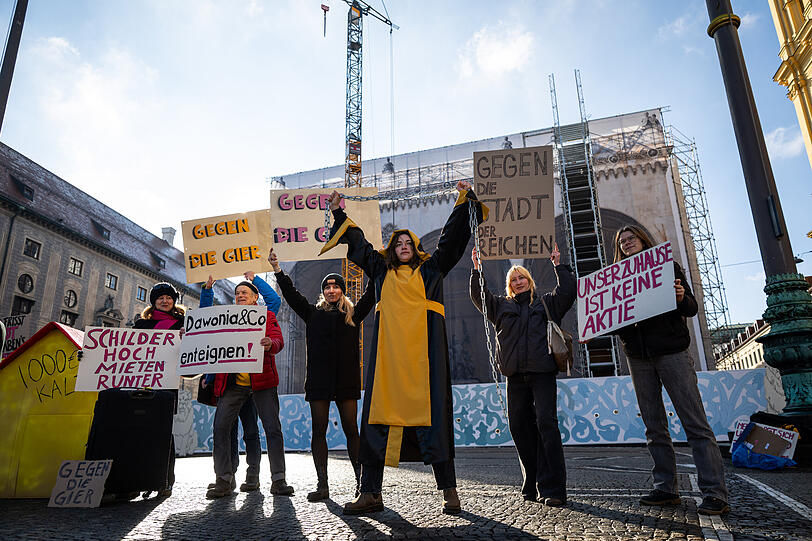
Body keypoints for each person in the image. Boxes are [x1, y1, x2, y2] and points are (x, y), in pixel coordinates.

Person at [321, 180, 487, 515]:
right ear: (391, 250)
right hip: (389, 363)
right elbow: (359, 242)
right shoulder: (380, 270)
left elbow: (451, 239)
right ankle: (370, 493)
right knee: (377, 421)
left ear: (415, 247)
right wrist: (338, 210)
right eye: (397, 243)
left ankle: (449, 491)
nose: (403, 245)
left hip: (427, 362)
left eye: (407, 242)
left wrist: (463, 199)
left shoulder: (432, 269)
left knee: (435, 420)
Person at [611, 225, 729, 515]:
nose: (627, 243)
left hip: (671, 351)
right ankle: (665, 488)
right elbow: (612, 319)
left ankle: (715, 493)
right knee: (654, 426)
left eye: (631, 238)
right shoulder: (615, 280)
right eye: (622, 241)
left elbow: (691, 307)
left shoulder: (668, 267)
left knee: (695, 423)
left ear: (642, 239)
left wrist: (679, 298)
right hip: (638, 357)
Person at [469, 244, 575, 506]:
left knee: (547, 425)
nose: (518, 282)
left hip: (542, 373)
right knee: (519, 428)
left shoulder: (546, 303)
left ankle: (553, 488)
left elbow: (568, 291)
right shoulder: (500, 307)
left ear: (530, 281)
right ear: (509, 285)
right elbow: (478, 296)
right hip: (514, 376)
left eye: (522, 278)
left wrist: (558, 265)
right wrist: (477, 269)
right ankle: (532, 482)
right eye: (513, 279)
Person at [269, 248, 375, 501]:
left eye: (336, 286)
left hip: (346, 380)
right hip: (318, 381)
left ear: (342, 291)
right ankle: (322, 485)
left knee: (351, 429)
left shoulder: (353, 315)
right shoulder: (312, 314)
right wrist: (277, 270)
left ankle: (362, 484)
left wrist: (375, 268)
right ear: (323, 292)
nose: (331, 290)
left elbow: (371, 294)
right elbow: (292, 296)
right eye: (327, 287)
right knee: (319, 430)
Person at [202, 275, 293, 499]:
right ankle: (223, 479)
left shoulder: (267, 315)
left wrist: (271, 344)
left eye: (245, 293)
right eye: (238, 293)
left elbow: (278, 340)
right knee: (221, 427)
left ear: (255, 299)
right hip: (232, 384)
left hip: (262, 382)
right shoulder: (226, 317)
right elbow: (206, 331)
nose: (240, 295)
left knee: (272, 430)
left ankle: (278, 479)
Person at [132, 282, 186, 499]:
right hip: (143, 385)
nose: (165, 301)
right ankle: (141, 479)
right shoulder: (142, 325)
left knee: (164, 434)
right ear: (153, 301)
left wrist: (187, 338)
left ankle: (164, 480)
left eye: (169, 297)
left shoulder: (183, 324)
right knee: (140, 432)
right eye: (160, 297)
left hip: (168, 385)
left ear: (174, 301)